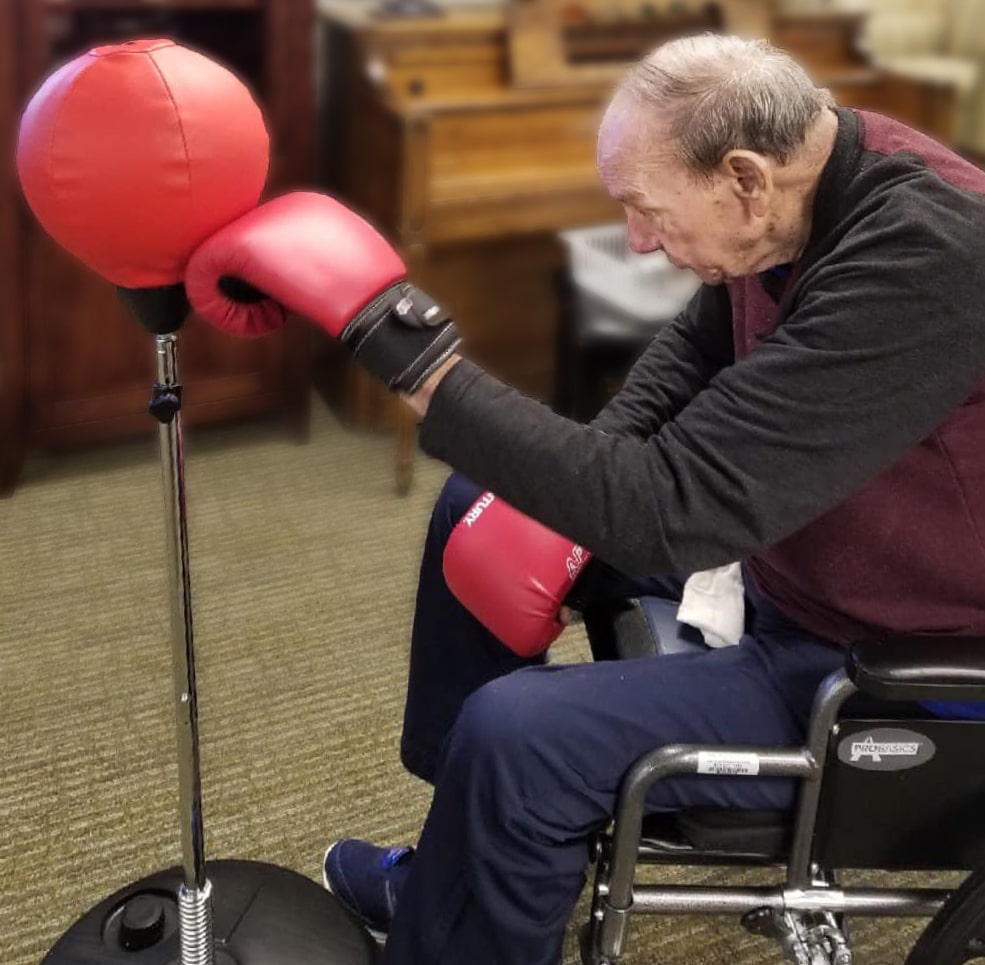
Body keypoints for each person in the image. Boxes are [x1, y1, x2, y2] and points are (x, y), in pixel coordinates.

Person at [183, 33, 985, 965]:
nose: (636, 242)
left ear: (742, 179)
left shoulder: (926, 257)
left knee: (515, 734)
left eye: (644, 211)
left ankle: (478, 859)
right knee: (481, 505)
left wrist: (400, 350)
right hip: (797, 544)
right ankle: (468, 860)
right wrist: (578, 479)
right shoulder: (814, 174)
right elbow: (698, 348)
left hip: (897, 670)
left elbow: (669, 508)